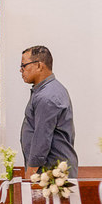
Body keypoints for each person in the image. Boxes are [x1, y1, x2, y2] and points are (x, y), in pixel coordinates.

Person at [19, 45, 78, 177]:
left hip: (52, 176)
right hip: (52, 171)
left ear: (39, 65)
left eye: (24, 65)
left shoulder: (47, 96)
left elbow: (41, 140)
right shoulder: (49, 90)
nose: (21, 70)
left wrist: (30, 176)